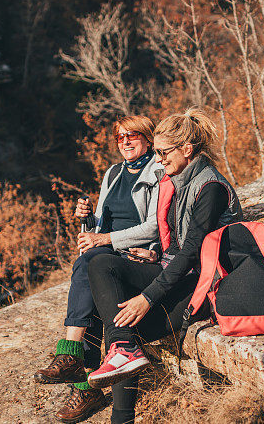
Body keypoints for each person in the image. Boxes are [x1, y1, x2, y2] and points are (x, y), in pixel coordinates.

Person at [86, 108, 243, 424]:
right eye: (156, 152)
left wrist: (147, 297)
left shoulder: (209, 187)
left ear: (186, 150)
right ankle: (123, 351)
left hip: (206, 282)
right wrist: (155, 255)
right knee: (102, 264)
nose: (157, 160)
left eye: (162, 152)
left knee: (127, 324)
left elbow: (191, 255)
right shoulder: (178, 179)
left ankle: (122, 414)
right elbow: (176, 245)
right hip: (178, 269)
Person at [33, 115, 164, 424]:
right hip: (107, 250)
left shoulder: (158, 171)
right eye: (120, 137)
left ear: (148, 138)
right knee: (88, 266)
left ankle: (76, 365)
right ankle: (79, 369)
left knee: (88, 265)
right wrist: (90, 219)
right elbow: (102, 225)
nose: (126, 142)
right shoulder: (113, 173)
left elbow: (155, 226)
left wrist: (104, 237)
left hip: (134, 253)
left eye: (133, 135)